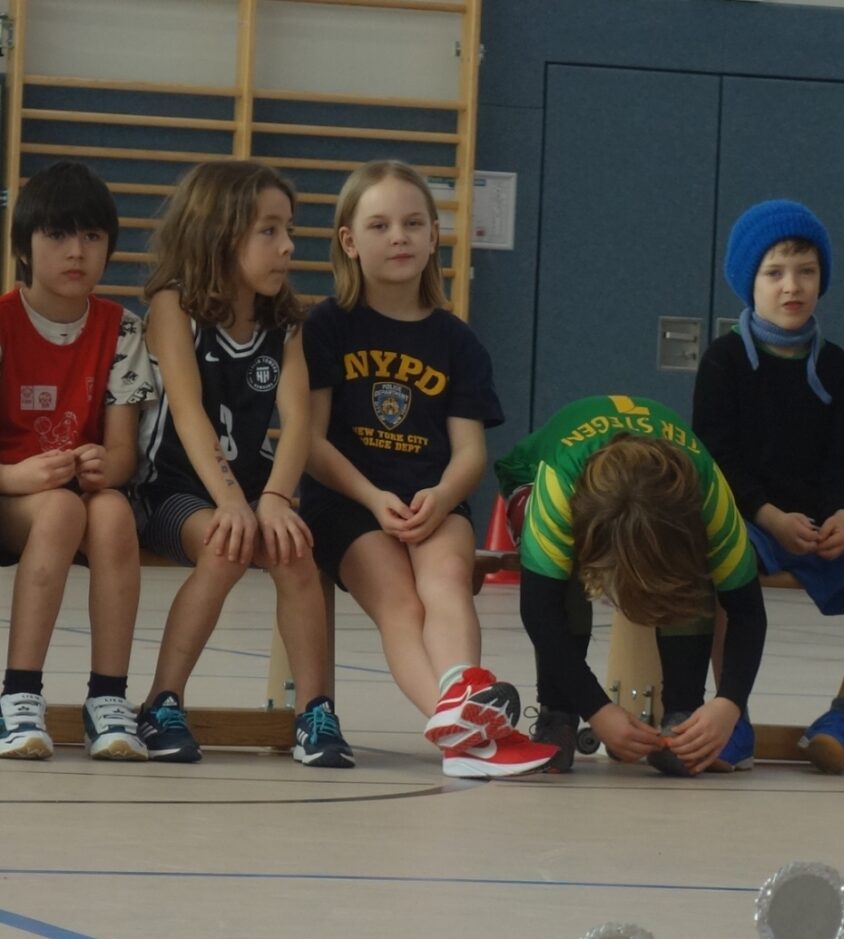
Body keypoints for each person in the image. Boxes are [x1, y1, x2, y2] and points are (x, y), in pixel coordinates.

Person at [301, 159, 549, 778]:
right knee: (400, 603)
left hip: (434, 498)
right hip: (348, 500)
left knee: (446, 580)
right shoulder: (325, 327)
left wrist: (440, 497)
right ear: (349, 241)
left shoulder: (458, 341)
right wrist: (371, 496)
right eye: (380, 225)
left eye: (414, 223)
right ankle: (463, 731)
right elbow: (309, 441)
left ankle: (463, 707)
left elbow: (470, 453)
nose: (399, 237)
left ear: (435, 235)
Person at [132, 160, 350, 767]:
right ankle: (161, 703)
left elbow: (299, 423)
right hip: (173, 486)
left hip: (250, 485)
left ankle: (315, 712)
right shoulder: (174, 306)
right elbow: (189, 413)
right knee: (225, 547)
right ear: (221, 234)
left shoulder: (285, 323)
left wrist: (274, 499)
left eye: (289, 231)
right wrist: (232, 503)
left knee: (295, 550)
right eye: (269, 231)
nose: (288, 247)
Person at [691, 199, 844, 774]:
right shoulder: (723, 361)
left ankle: (842, 717)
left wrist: (842, 514)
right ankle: (733, 715)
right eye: (775, 272)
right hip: (751, 521)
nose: (792, 286)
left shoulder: (839, 368)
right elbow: (716, 461)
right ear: (749, 282)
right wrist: (768, 516)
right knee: (720, 563)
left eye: (806, 271)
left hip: (817, 525)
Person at [498, 395, 767, 778]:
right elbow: (539, 611)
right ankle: (558, 714)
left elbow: (748, 610)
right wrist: (596, 708)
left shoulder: (708, 490)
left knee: (690, 561)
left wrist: (730, 705)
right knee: (559, 569)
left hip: (660, 500)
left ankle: (683, 713)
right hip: (538, 473)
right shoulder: (559, 485)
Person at [0, 161, 155, 761]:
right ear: (23, 247)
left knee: (112, 512)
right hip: (12, 497)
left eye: (92, 236)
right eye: (58, 235)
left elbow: (123, 452)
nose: (76, 251)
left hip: (78, 496)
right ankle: (19, 695)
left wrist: (103, 467)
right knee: (61, 512)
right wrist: (15, 476)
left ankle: (108, 699)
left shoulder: (123, 329)